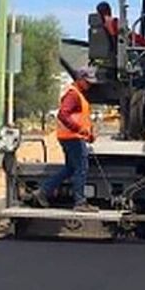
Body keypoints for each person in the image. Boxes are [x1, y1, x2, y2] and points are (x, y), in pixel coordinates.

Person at [33, 67, 98, 212]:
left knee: (70, 168)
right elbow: (63, 114)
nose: (89, 85)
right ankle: (80, 202)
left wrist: (88, 133)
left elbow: (80, 117)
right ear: (80, 79)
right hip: (73, 137)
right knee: (81, 168)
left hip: (71, 136)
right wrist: (78, 129)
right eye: (87, 82)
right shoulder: (73, 95)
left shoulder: (78, 94)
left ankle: (43, 192)